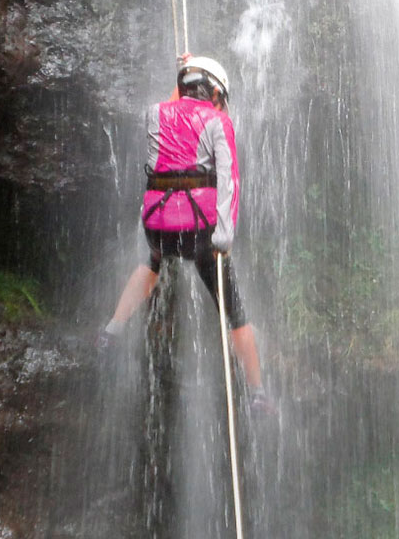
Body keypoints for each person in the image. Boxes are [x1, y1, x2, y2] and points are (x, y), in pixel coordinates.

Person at [99, 55, 275, 415]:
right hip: (198, 232)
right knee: (235, 309)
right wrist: (222, 240)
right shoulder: (218, 121)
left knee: (150, 263)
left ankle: (111, 331)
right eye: (220, 96)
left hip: (157, 227)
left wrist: (188, 66)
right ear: (213, 93)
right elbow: (229, 181)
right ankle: (258, 392)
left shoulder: (154, 113)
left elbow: (172, 107)